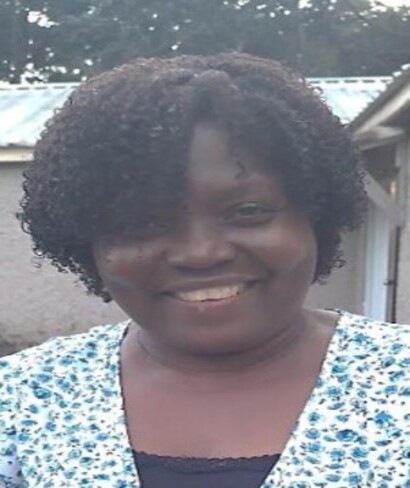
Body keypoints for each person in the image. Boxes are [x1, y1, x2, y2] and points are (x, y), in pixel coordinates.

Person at [0, 53, 408, 488]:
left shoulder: (398, 378)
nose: (200, 254)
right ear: (89, 244)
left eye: (247, 211)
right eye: (143, 223)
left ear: (316, 218)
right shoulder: (22, 398)